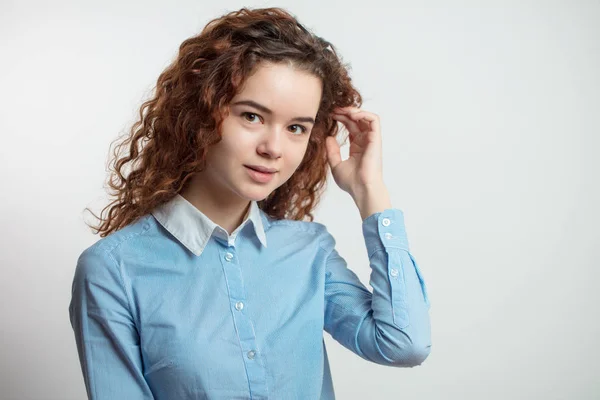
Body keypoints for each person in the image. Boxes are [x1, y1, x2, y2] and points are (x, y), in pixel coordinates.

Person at [68, 6, 431, 400]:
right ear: (201, 111)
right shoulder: (113, 270)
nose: (273, 148)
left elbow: (403, 344)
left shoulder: (309, 252)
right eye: (252, 116)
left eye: (296, 128)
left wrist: (369, 191)